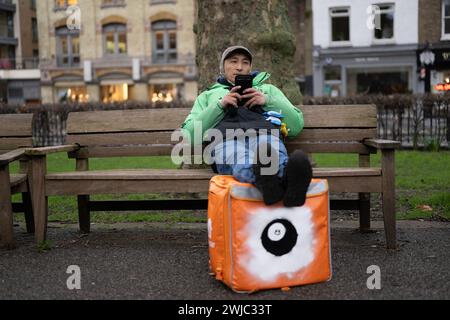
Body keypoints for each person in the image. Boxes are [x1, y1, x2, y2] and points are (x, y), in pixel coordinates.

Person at [181, 46, 312, 207]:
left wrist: (267, 101)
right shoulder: (208, 96)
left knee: (271, 153)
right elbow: (188, 135)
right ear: (223, 67)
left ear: (250, 67)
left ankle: (272, 185)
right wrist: (220, 105)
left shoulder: (267, 90)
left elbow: (296, 125)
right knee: (240, 158)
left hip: (265, 134)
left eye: (245, 62)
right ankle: (284, 184)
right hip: (225, 139)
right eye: (233, 61)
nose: (240, 67)